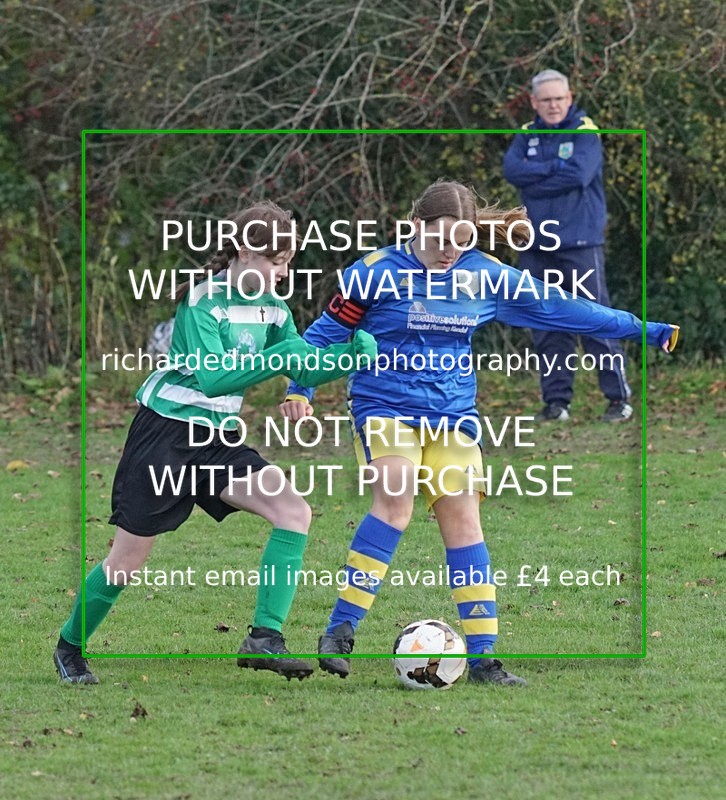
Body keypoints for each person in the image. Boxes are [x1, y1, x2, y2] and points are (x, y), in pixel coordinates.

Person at [281, 180, 678, 686]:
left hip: (452, 415)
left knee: (464, 521)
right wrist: (300, 388)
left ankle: (484, 660)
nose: (450, 251)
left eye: (462, 240)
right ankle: (341, 630)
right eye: (440, 238)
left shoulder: (486, 276)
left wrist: (645, 329)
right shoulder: (374, 272)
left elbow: (567, 309)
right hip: (384, 406)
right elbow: (324, 334)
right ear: (416, 225)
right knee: (396, 499)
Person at [54, 201, 377, 684]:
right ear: (245, 252)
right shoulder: (202, 301)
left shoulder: (274, 308)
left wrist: (350, 355)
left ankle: (264, 638)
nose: (283, 273)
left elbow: (303, 366)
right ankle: (69, 648)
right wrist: (281, 357)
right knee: (125, 563)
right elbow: (213, 379)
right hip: (165, 436)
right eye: (277, 262)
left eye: (288, 263)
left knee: (293, 512)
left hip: (219, 439)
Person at [503, 68, 632, 423]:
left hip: (579, 242)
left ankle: (618, 399)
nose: (553, 105)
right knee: (546, 324)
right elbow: (512, 171)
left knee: (595, 320)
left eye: (559, 98)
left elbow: (579, 174)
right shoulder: (526, 134)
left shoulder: (585, 131)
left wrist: (536, 178)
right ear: (534, 102)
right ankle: (556, 403)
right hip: (535, 244)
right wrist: (555, 169)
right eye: (546, 100)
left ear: (570, 98)